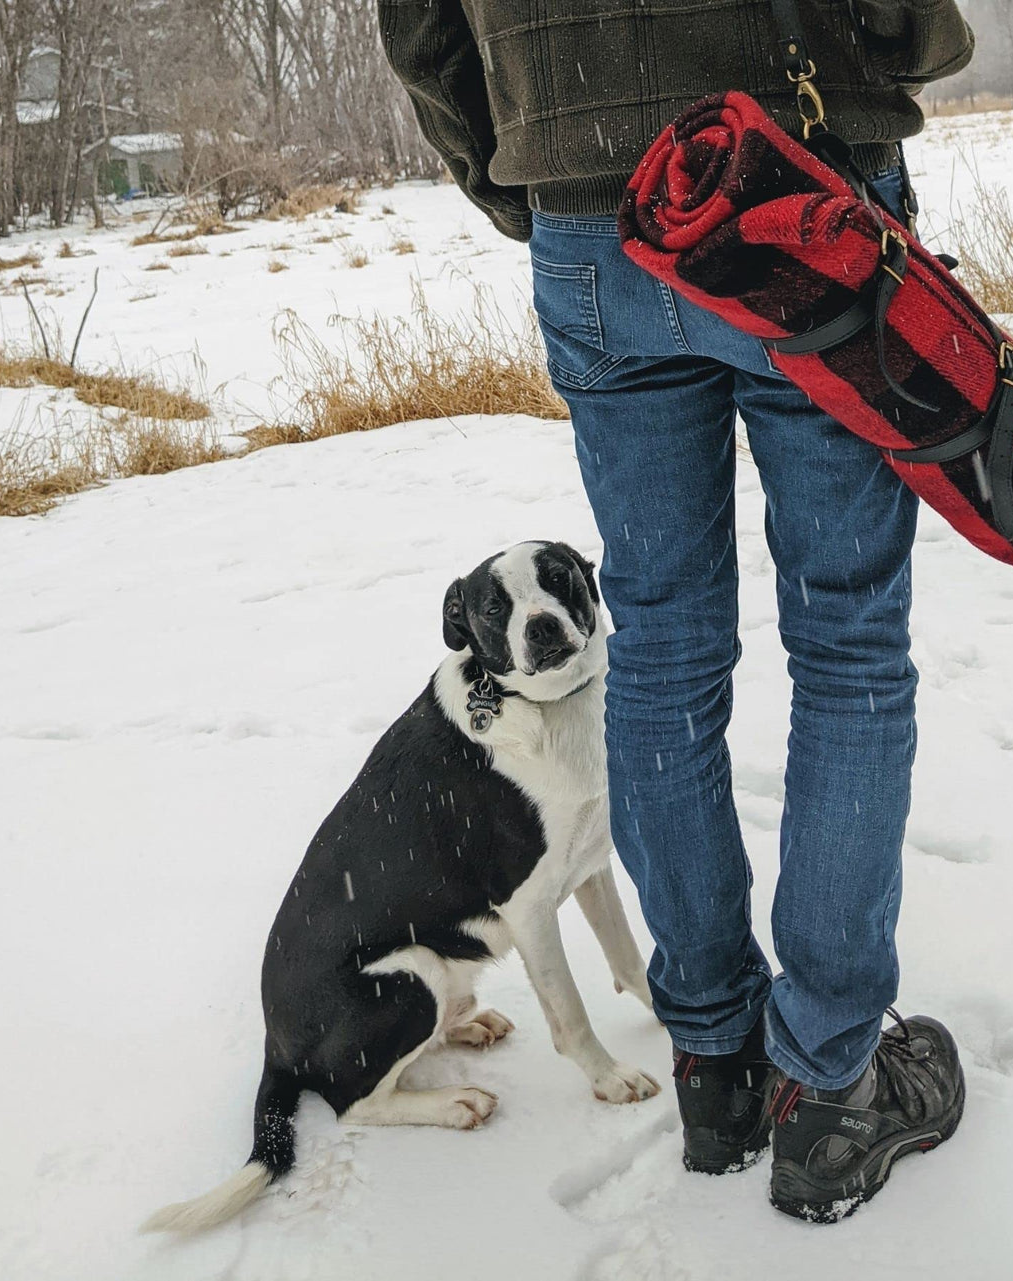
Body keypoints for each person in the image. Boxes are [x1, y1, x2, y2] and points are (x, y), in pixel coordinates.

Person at [379, 0, 975, 1223]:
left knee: (658, 640)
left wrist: (537, 171)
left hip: (591, 208)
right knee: (849, 641)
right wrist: (906, 54)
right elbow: (906, 18)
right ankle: (827, 1083)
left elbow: (423, 33)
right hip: (797, 180)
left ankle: (713, 1058)